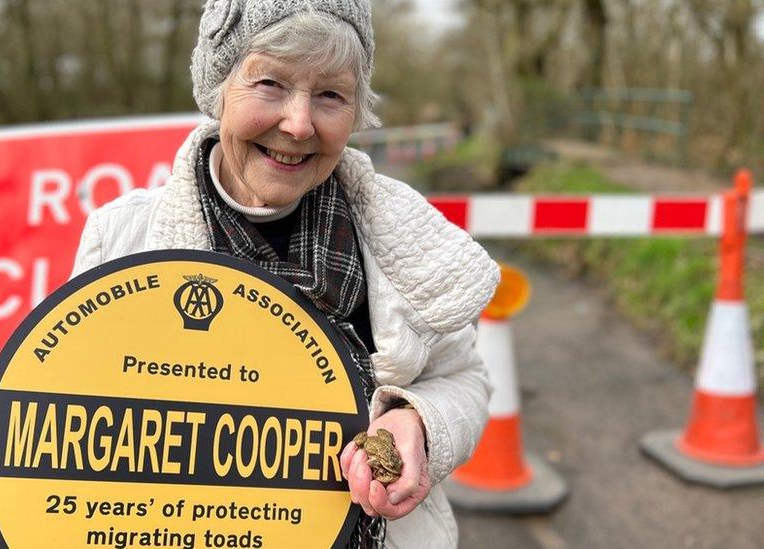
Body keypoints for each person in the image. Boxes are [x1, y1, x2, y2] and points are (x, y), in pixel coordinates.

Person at [70, 1, 499, 546]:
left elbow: (465, 379)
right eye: (270, 83)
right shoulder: (122, 239)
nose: (298, 124)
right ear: (219, 88)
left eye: (330, 95)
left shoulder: (403, 240)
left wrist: (416, 423)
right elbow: (75, 417)